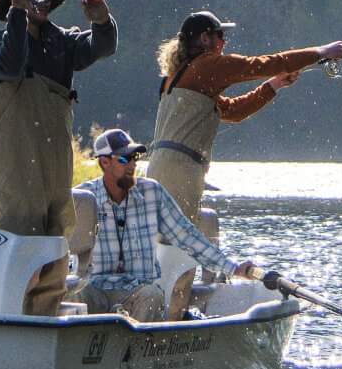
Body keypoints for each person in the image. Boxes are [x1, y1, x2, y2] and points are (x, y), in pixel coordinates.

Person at [0, 0, 116, 313]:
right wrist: (18, 15)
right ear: (12, 0)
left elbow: (102, 46)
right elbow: (10, 66)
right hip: (13, 177)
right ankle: (9, 322)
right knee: (20, 257)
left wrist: (101, 20)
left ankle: (45, 324)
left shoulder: (63, 43)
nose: (41, 1)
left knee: (55, 252)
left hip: (54, 176)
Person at [149, 9, 342, 218]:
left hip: (159, 168)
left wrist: (274, 85)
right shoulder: (206, 65)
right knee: (179, 239)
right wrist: (321, 52)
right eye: (220, 35)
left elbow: (234, 111)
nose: (224, 42)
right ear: (205, 39)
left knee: (167, 237)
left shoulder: (177, 76)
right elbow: (264, 64)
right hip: (181, 170)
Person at [70, 127, 262, 320]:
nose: (132, 165)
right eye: (123, 159)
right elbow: (58, 242)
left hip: (139, 290)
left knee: (153, 294)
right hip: (94, 287)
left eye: (134, 157)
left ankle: (140, 347)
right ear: (104, 162)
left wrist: (233, 268)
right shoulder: (82, 197)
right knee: (72, 292)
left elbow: (187, 236)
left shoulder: (152, 192)